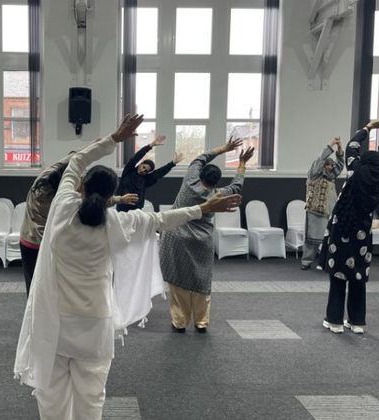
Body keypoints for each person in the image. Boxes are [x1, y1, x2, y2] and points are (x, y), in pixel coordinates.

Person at [14, 114, 242, 420]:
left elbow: (76, 162)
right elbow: (163, 219)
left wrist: (115, 138)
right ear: (112, 196)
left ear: (80, 187)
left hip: (54, 321)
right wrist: (203, 208)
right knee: (91, 398)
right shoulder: (119, 223)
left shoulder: (61, 207)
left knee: (52, 397)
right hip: (95, 323)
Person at [159, 139, 254, 333]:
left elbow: (199, 159)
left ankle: (180, 322)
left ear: (200, 175)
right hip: (201, 240)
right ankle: (201, 322)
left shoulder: (189, 182)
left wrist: (224, 148)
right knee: (201, 280)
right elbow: (237, 186)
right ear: (216, 181)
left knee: (178, 280)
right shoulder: (218, 194)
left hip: (176, 237)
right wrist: (242, 163)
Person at [19, 151, 138, 296]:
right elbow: (91, 202)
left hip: (29, 242)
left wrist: (89, 149)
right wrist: (118, 199)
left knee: (34, 286)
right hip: (50, 245)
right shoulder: (67, 202)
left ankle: (34, 307)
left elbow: (71, 159)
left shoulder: (43, 181)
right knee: (54, 288)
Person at [319, 118, 379, 334]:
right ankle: (357, 322)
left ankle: (334, 321)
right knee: (358, 276)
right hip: (362, 232)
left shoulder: (354, 172)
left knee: (339, 275)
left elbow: (352, 145)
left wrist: (369, 127)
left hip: (342, 227)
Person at [301, 137, 345, 270]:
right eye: (327, 165)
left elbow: (340, 165)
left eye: (331, 165)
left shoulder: (331, 177)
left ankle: (327, 262)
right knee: (312, 238)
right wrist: (330, 145)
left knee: (331, 238)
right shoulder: (314, 174)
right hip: (315, 212)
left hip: (330, 212)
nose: (330, 167)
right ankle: (306, 262)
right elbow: (320, 159)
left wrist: (340, 149)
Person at [116, 134, 184, 212]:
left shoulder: (145, 180)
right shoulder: (128, 171)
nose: (143, 170)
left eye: (146, 171)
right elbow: (136, 157)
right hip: (122, 207)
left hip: (136, 210)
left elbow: (159, 173)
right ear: (140, 164)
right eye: (143, 167)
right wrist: (150, 145)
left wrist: (173, 163)